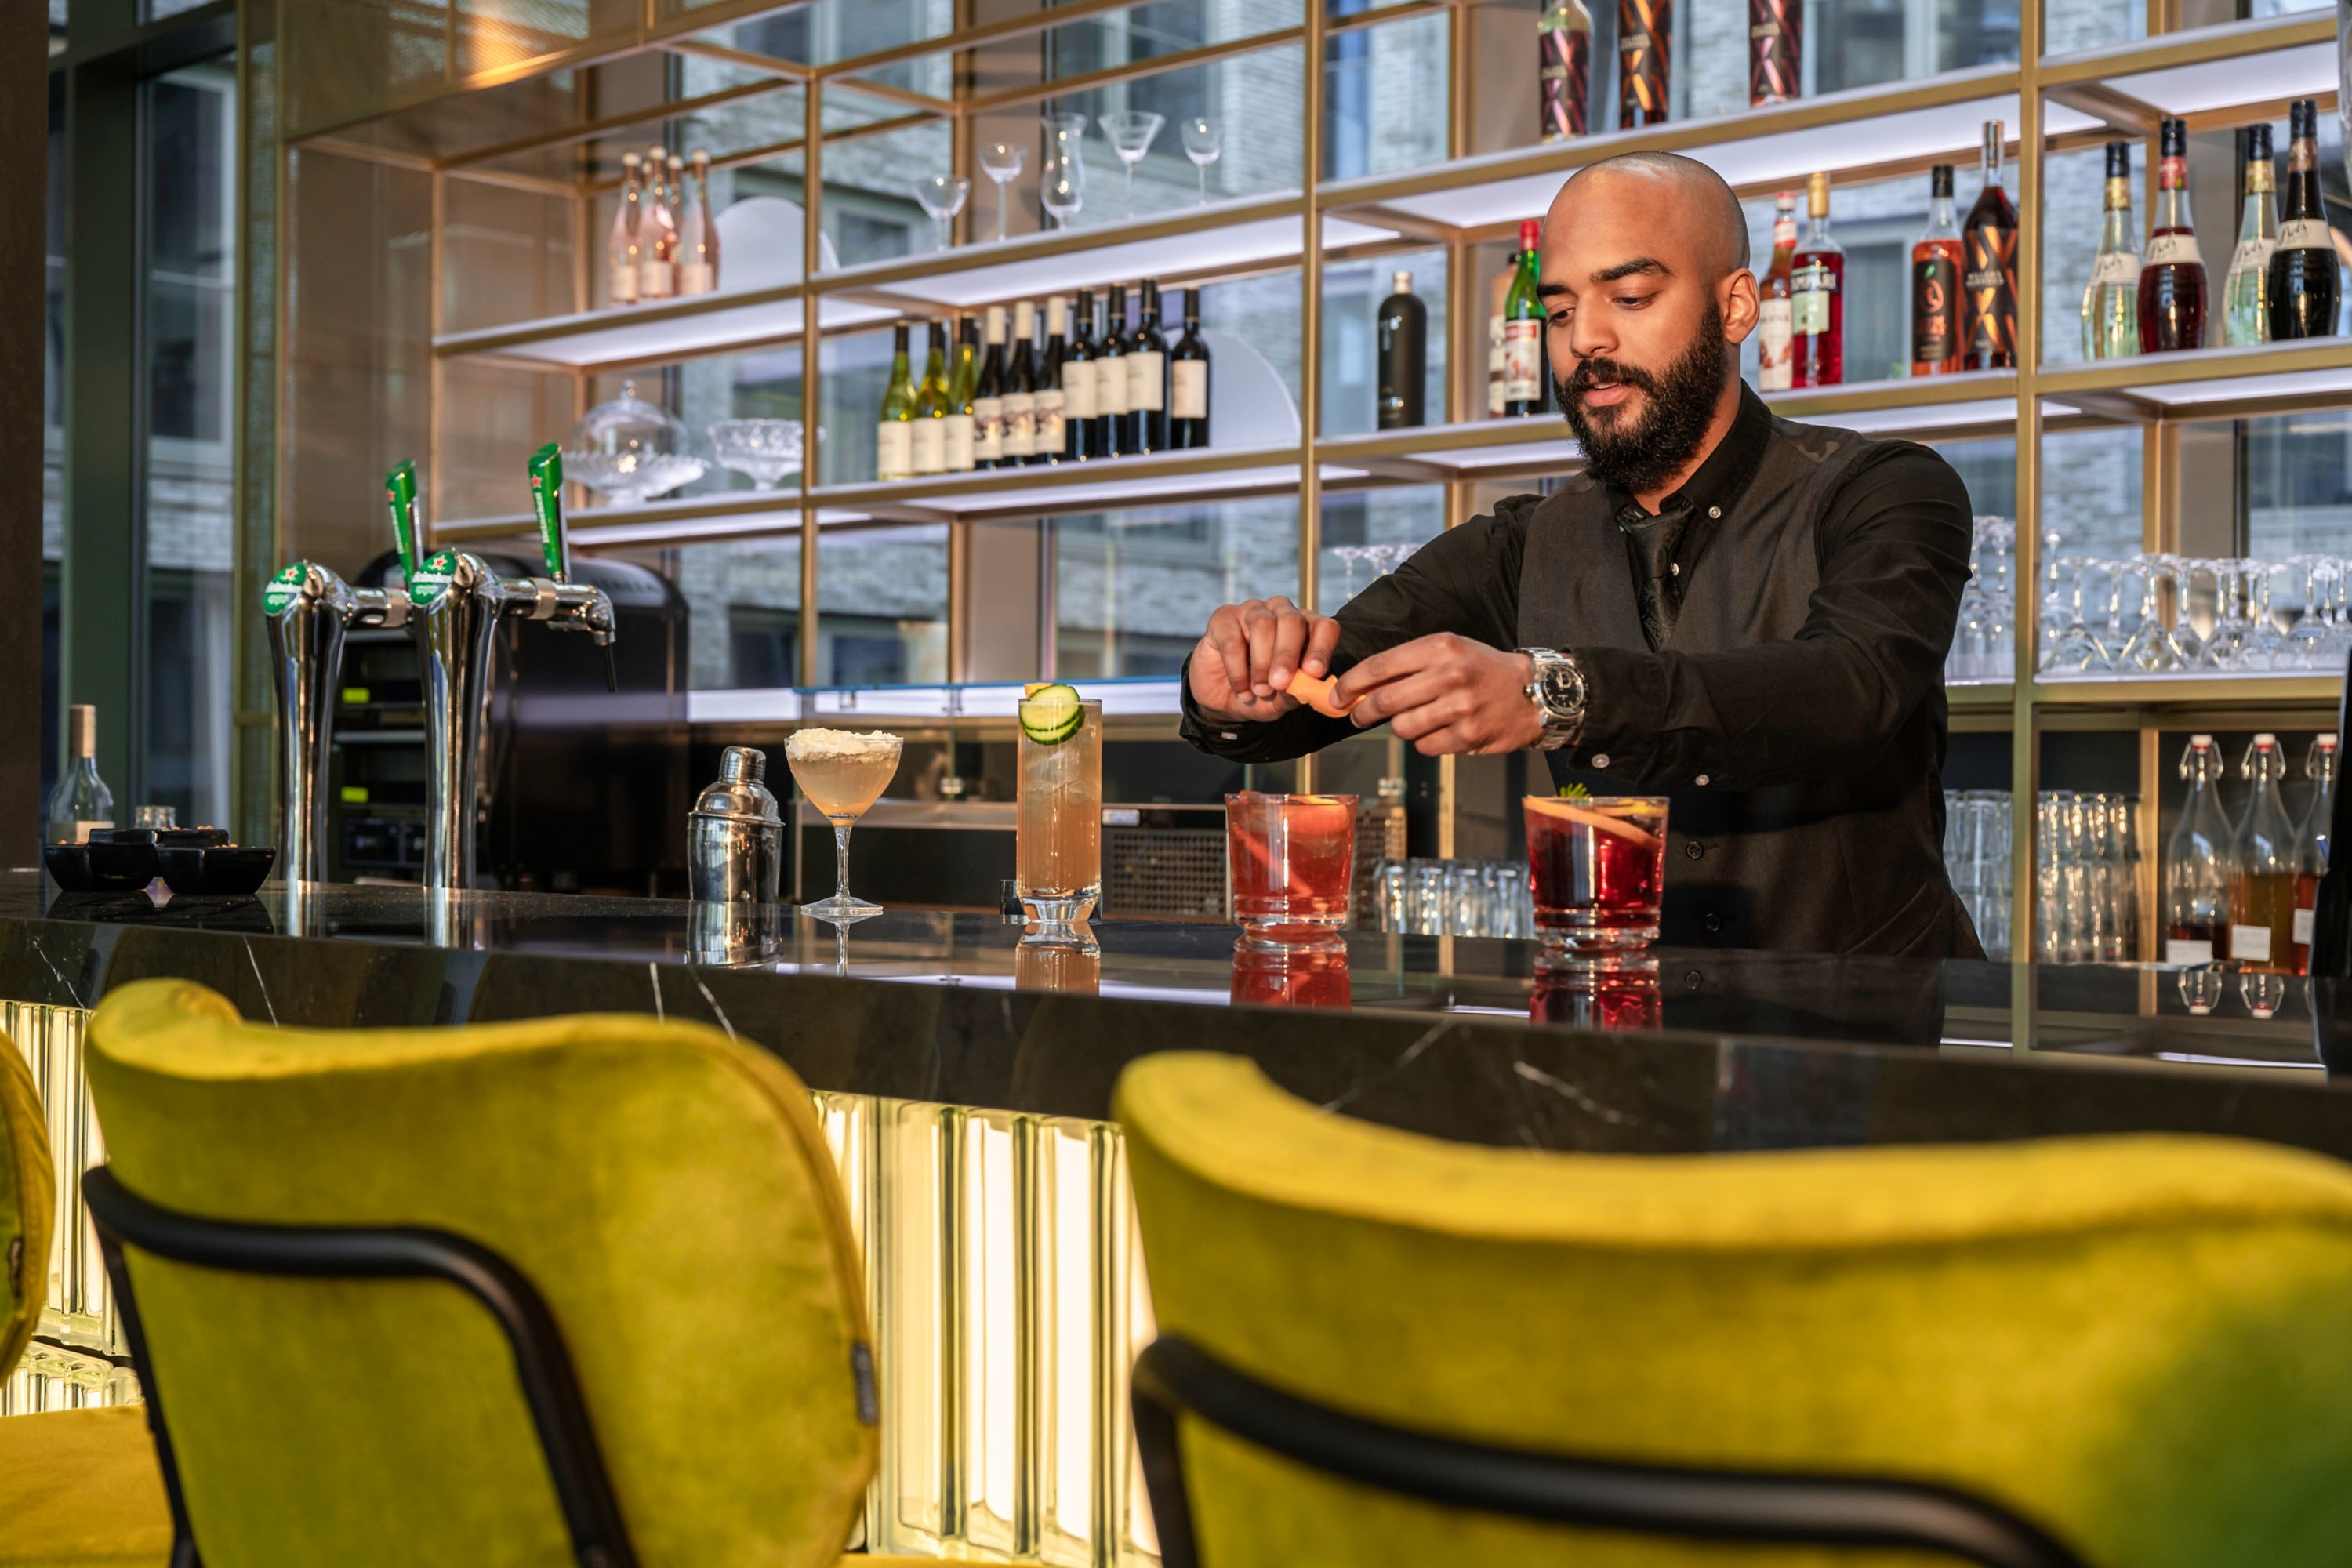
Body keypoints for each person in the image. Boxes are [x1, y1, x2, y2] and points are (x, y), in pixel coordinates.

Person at [1181, 151, 1981, 957]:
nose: (1585, 340)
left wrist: (1552, 693)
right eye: (1560, 312)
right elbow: (1334, 673)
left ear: (1736, 307)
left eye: (1630, 297)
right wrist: (1234, 686)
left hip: (1876, 1023)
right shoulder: (1524, 543)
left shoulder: (1884, 490)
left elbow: (1849, 691)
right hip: (1620, 1021)